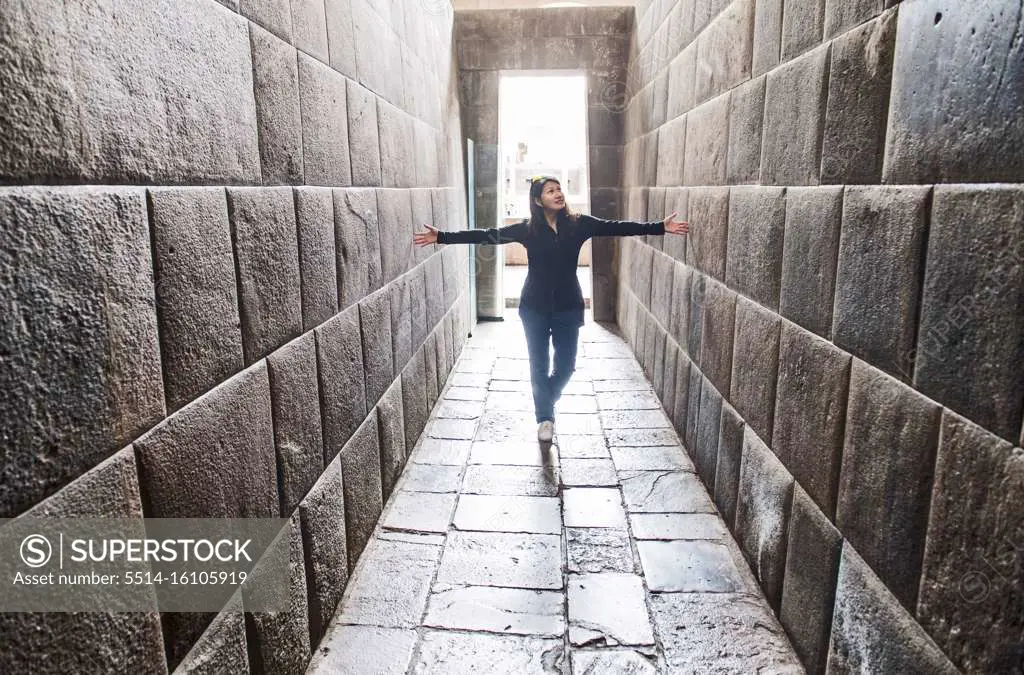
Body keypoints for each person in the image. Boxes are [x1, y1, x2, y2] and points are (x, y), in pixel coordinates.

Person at [414, 176, 689, 442]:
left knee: (566, 366)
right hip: (533, 306)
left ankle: (547, 397)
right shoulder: (527, 229)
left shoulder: (579, 224)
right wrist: (442, 237)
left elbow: (616, 226)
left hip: (569, 306)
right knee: (539, 364)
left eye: (559, 189)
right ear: (537, 200)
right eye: (550, 191)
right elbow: (489, 235)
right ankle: (545, 418)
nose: (558, 194)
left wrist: (659, 227)